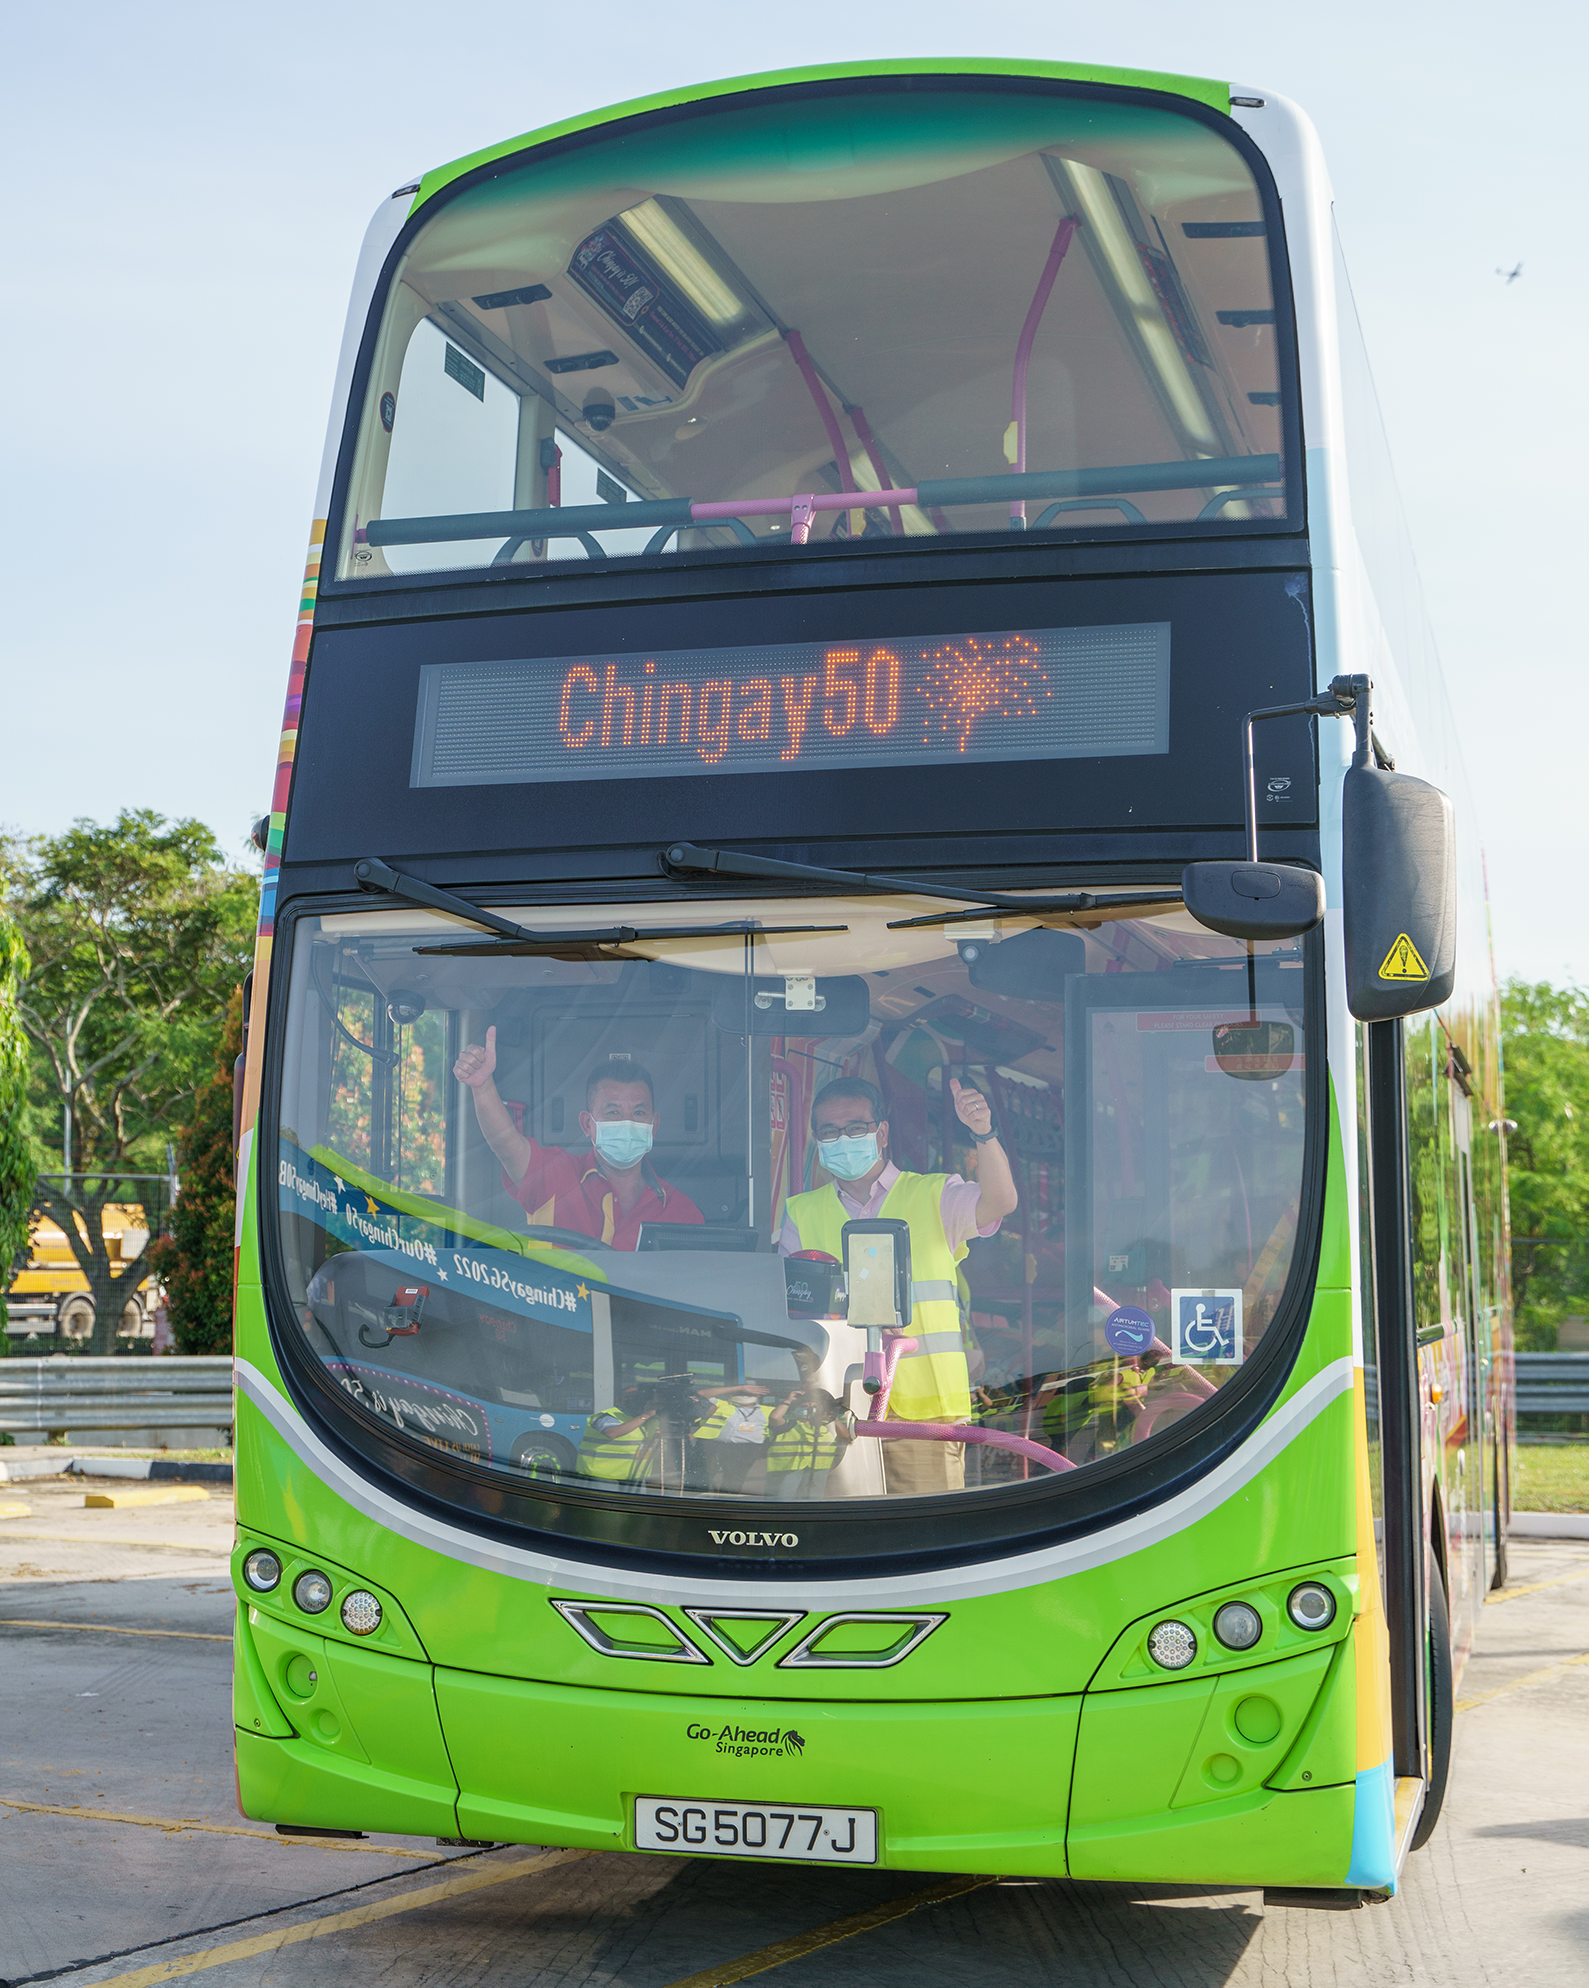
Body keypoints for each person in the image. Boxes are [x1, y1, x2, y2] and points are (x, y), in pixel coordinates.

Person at [778, 1074, 1017, 1494]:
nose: (842, 1138)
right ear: (817, 1141)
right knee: (851, 1546)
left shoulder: (935, 1194)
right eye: (829, 1131)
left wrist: (984, 1132)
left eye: (856, 1127)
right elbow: (793, 1311)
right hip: (839, 1415)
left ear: (882, 1133)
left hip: (927, 1418)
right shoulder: (802, 1212)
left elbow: (1000, 1202)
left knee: (927, 1546)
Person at [452, 1034, 703, 1248]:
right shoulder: (554, 1174)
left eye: (638, 1112)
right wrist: (483, 1087)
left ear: (653, 1125)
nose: (627, 1122)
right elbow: (507, 1147)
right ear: (587, 1124)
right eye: (613, 1112)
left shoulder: (683, 1211)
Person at [764, 1385, 851, 1501]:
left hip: (817, 1469)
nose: (807, 1410)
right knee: (783, 1499)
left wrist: (835, 1418)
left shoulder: (824, 1427)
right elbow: (774, 1418)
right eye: (803, 1406)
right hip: (787, 1468)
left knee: (814, 1499)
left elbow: (845, 1436)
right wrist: (788, 1400)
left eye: (812, 1407)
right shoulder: (790, 1424)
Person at [691, 1382, 770, 1493]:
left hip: (745, 1451)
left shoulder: (768, 1410)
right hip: (713, 1446)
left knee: (733, 1484)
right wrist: (740, 1387)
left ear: (757, 1396)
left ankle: (725, 1505)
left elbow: (783, 1416)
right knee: (702, 1479)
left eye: (748, 1393)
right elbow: (701, 1394)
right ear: (730, 1396)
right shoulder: (722, 1405)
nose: (744, 1396)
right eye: (740, 1393)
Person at [576, 1388, 657, 1483]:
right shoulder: (607, 1416)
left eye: (639, 1397)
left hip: (635, 1476)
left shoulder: (651, 1419)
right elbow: (612, 1433)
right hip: (602, 1476)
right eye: (628, 1397)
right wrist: (645, 1416)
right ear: (619, 1399)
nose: (635, 1400)